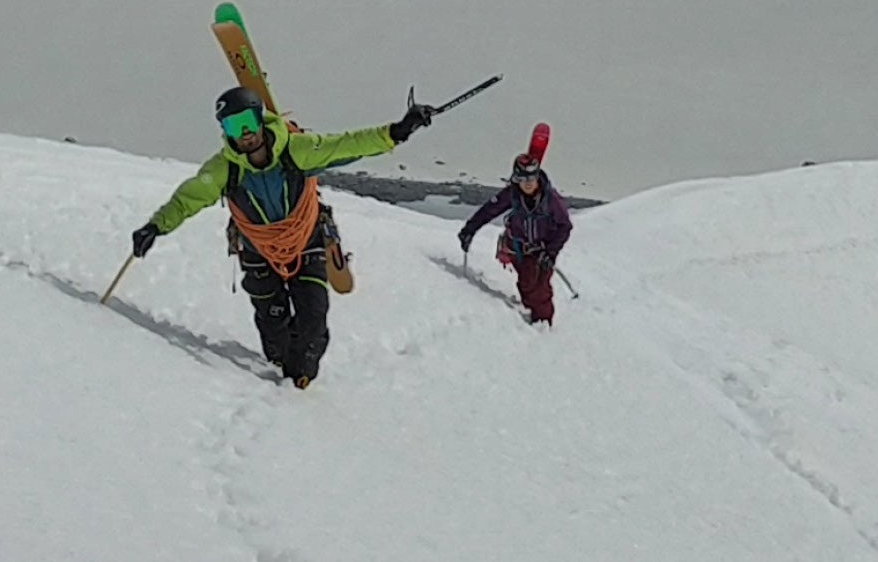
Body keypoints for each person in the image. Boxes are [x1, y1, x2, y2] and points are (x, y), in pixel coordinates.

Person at [133, 86, 433, 387]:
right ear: (224, 131)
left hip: (306, 241)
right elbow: (190, 197)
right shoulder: (225, 169)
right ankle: (281, 360)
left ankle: (297, 383)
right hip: (257, 250)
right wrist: (156, 226)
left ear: (261, 119)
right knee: (274, 330)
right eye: (234, 126)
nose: (245, 132)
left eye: (249, 121)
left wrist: (397, 131)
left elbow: (346, 145)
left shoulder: (296, 150)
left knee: (313, 318)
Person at [460, 152, 574, 324]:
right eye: (522, 178)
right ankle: (531, 313)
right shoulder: (512, 195)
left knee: (541, 289)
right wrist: (469, 230)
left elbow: (565, 226)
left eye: (531, 178)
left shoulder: (551, 200)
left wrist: (551, 253)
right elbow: (489, 210)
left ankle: (543, 325)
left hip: (543, 251)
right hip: (517, 248)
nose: (527, 183)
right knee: (527, 284)